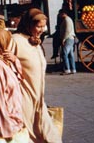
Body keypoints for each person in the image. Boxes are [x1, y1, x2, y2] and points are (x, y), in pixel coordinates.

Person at [12, 8, 62, 143]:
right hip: (24, 99)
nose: (41, 30)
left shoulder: (35, 42)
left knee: (51, 136)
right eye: (38, 26)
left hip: (39, 99)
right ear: (29, 24)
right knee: (28, 137)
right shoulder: (16, 40)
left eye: (43, 26)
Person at [59, 10, 76, 75]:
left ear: (63, 14)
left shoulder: (67, 20)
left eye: (60, 14)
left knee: (64, 53)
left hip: (68, 38)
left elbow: (67, 31)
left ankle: (67, 69)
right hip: (71, 38)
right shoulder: (68, 19)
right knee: (70, 54)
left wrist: (63, 39)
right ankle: (73, 69)